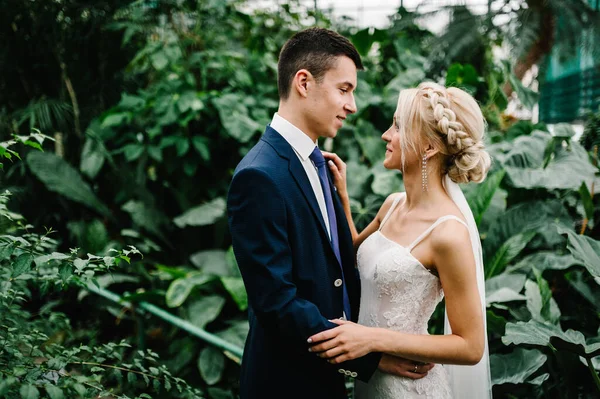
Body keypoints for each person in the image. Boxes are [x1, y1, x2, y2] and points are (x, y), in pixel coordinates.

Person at [227, 28, 432, 399]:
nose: (352, 105)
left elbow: (337, 266)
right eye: (344, 89)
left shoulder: (321, 163)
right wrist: (370, 357)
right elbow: (276, 303)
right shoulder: (259, 176)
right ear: (303, 82)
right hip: (286, 384)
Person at [307, 82, 493, 398]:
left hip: (409, 386)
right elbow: (355, 257)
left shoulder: (448, 233)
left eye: (397, 126)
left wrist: (372, 340)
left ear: (430, 147)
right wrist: (342, 197)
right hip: (372, 380)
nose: (386, 135)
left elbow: (470, 346)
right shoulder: (392, 204)